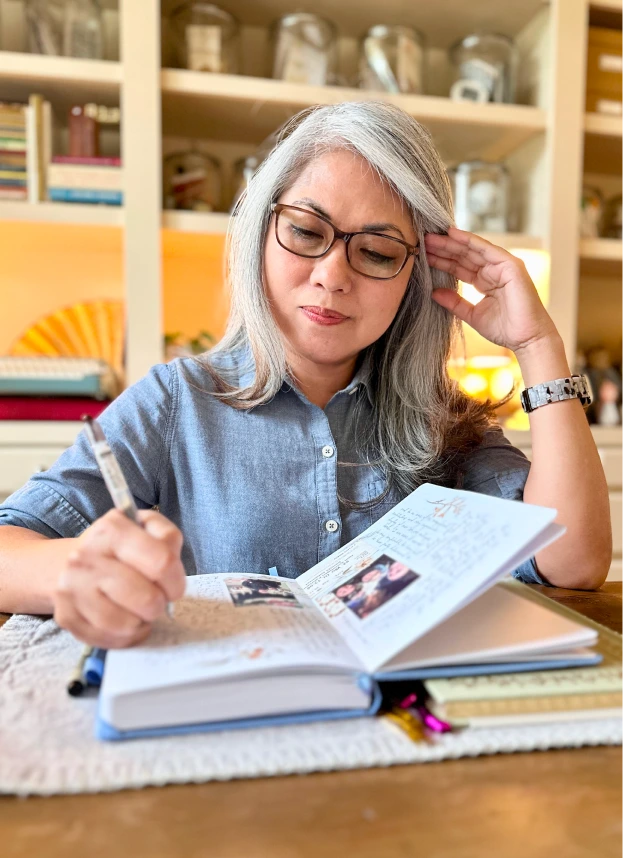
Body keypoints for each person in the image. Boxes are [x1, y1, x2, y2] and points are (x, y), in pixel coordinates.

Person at [0, 101, 611, 650]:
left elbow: (572, 562)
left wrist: (537, 344)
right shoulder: (175, 402)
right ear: (261, 232)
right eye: (305, 232)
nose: (332, 276)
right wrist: (84, 569)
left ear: (415, 277)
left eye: (376, 251)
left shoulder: (439, 416)